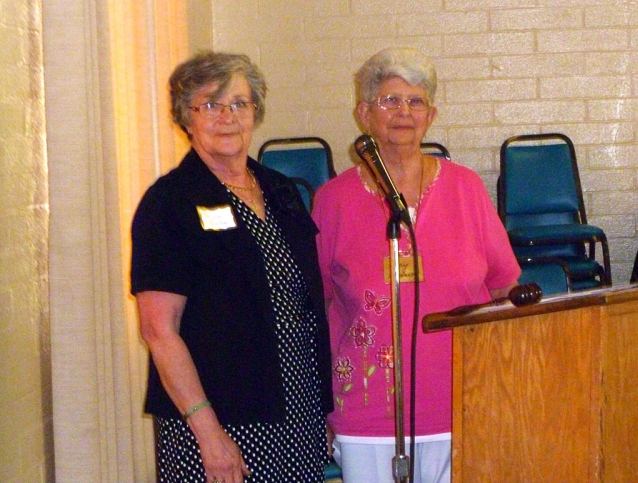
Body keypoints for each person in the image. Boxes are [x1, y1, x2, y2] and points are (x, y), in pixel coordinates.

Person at [312, 47, 521, 483]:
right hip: (367, 409)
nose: (403, 112)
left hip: (461, 400)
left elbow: (505, 288)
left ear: (432, 114)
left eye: (415, 101)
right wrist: (323, 403)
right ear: (364, 113)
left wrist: (504, 386)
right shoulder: (332, 199)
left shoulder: (465, 187)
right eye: (390, 100)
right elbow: (318, 306)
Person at [130, 51, 333, 483]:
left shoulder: (281, 190)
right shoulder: (169, 203)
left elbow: (308, 304)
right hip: (220, 421)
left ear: (255, 112)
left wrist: (323, 407)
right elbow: (158, 331)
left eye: (239, 103)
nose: (227, 117)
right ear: (187, 118)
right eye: (210, 105)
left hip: (296, 412)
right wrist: (208, 433)